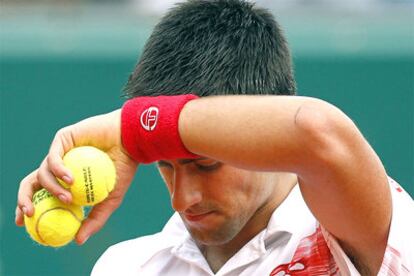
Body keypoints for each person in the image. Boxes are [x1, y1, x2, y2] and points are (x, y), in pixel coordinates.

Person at [15, 0, 414, 275]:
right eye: (165, 166)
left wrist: (136, 128)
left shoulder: (350, 233)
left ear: (261, 128)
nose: (182, 198)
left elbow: (316, 133)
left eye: (205, 164)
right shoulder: (126, 266)